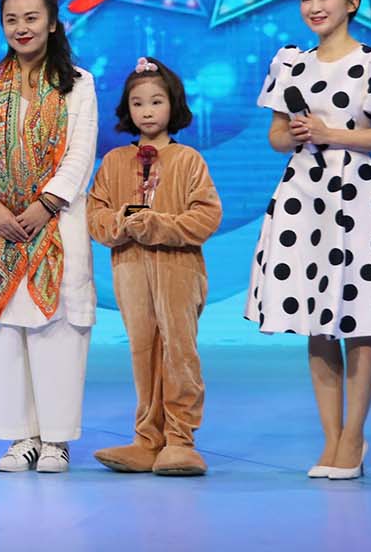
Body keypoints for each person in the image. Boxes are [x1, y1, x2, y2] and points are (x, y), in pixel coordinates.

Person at [248, 0, 371, 479]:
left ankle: (354, 437)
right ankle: (331, 439)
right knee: (316, 320)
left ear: (351, 3)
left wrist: (334, 134)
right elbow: (276, 137)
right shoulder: (291, 63)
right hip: (302, 196)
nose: (314, 7)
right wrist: (296, 134)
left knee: (359, 316)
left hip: (356, 194)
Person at [0, 0, 98, 474]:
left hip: (55, 224)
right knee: (9, 335)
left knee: (56, 331)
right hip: (1, 228)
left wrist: (46, 204)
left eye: (31, 18)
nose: (21, 28)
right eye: (11, 19)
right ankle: (21, 437)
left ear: (52, 23)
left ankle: (56, 440)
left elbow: (80, 153)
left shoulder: (77, 83)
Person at [87, 57, 221, 476]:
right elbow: (95, 216)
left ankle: (180, 439)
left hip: (179, 271)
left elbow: (206, 217)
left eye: (156, 101)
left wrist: (157, 224)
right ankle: (148, 438)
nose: (146, 111)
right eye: (138, 103)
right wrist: (123, 222)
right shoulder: (114, 162)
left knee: (178, 350)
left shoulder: (188, 160)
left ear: (173, 104)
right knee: (143, 350)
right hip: (130, 271)